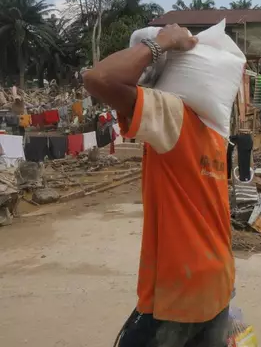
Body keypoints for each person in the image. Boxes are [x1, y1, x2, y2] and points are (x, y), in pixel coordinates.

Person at [83, 24, 234, 347]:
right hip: (218, 280)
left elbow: (99, 79)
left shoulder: (173, 115)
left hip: (180, 288)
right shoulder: (216, 133)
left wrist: (161, 42)